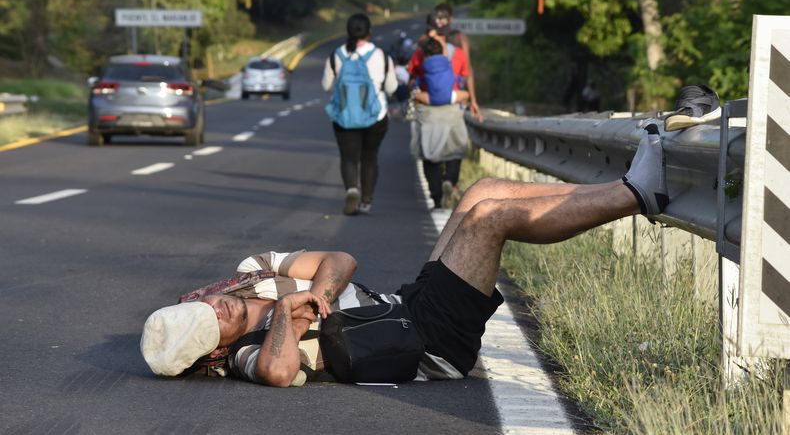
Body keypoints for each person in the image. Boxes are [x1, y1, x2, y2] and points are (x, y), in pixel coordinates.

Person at [141, 126, 669, 387]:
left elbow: (342, 260)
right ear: (211, 353)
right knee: (491, 221)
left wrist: (318, 297)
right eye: (207, 330)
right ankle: (638, 194)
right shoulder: (243, 358)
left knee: (482, 192)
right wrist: (285, 313)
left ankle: (627, 187)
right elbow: (280, 373)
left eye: (204, 311)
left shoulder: (250, 273)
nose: (220, 314)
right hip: (426, 344)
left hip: (405, 303)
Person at [321, 13, 397, 215]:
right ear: (370, 32)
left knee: (348, 157)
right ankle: (366, 201)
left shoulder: (336, 55)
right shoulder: (381, 56)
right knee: (370, 156)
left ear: (348, 32)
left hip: (344, 116)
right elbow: (391, 88)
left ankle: (351, 189)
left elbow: (326, 85)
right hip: (376, 116)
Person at [408, 14, 472, 209]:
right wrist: (470, 100)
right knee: (454, 151)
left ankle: (436, 196)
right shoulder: (458, 54)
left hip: (429, 111)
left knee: (429, 154)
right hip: (452, 109)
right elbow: (466, 77)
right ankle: (450, 182)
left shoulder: (420, 54)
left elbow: (411, 78)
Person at [412, 37, 470, 107]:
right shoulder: (445, 61)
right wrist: (438, 37)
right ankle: (461, 108)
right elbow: (445, 49)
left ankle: (417, 111)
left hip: (431, 98)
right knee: (466, 95)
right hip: (449, 97)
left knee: (416, 96)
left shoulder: (426, 64)